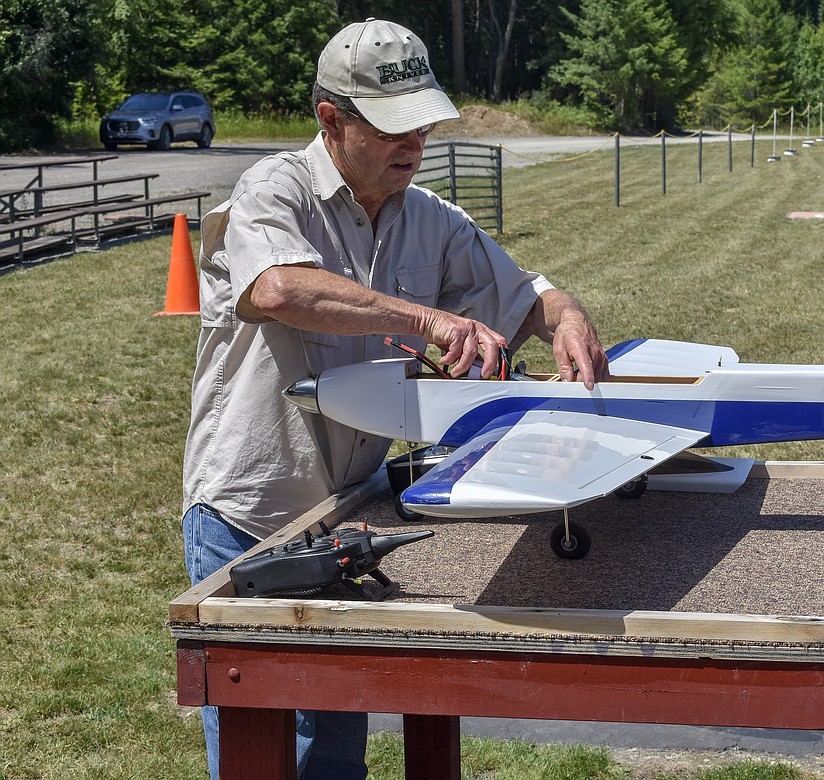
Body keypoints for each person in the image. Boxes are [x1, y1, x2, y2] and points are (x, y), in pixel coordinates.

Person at [180, 17, 609, 779]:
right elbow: (281, 287)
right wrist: (425, 318)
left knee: (334, 748)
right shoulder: (270, 189)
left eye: (422, 125)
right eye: (390, 128)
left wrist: (565, 316)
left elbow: (525, 292)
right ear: (331, 121)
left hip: (344, 512)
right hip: (248, 514)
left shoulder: (429, 217)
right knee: (261, 750)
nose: (413, 145)